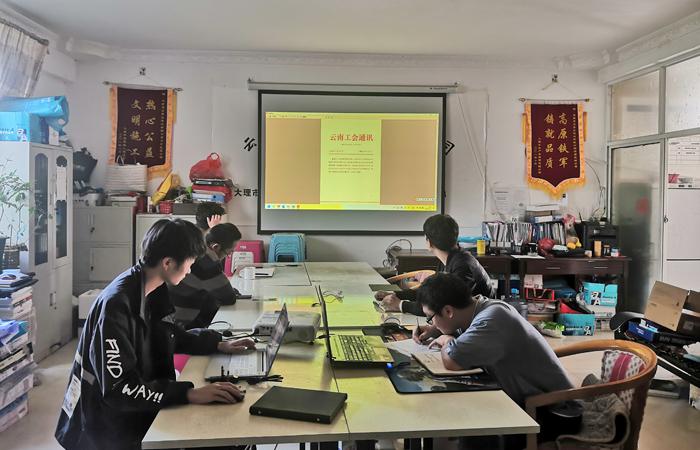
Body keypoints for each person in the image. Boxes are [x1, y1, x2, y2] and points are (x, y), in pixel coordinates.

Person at [55, 219, 255, 450]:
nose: (190, 270)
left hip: (137, 409)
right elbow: (120, 389)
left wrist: (218, 344)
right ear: (168, 263)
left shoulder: (152, 286)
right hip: (107, 428)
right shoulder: (116, 306)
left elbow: (170, 335)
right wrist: (188, 394)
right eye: (190, 263)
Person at [413, 273, 573, 449]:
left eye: (430, 317)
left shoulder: (492, 318)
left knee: (471, 420)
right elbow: (467, 332)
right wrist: (435, 329)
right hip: (526, 398)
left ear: (448, 311)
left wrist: (447, 340)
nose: (432, 323)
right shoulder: (482, 307)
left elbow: (452, 360)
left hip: (551, 411)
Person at [376, 214, 494, 315]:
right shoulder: (452, 258)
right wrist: (397, 295)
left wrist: (400, 305)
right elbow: (431, 293)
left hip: (480, 323)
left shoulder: (462, 265)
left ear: (429, 242)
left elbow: (440, 306)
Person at [169, 222, 243, 329]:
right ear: (216, 247)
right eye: (229, 253)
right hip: (182, 324)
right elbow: (228, 298)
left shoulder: (195, 248)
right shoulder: (207, 259)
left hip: (171, 314)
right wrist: (225, 291)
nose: (228, 256)